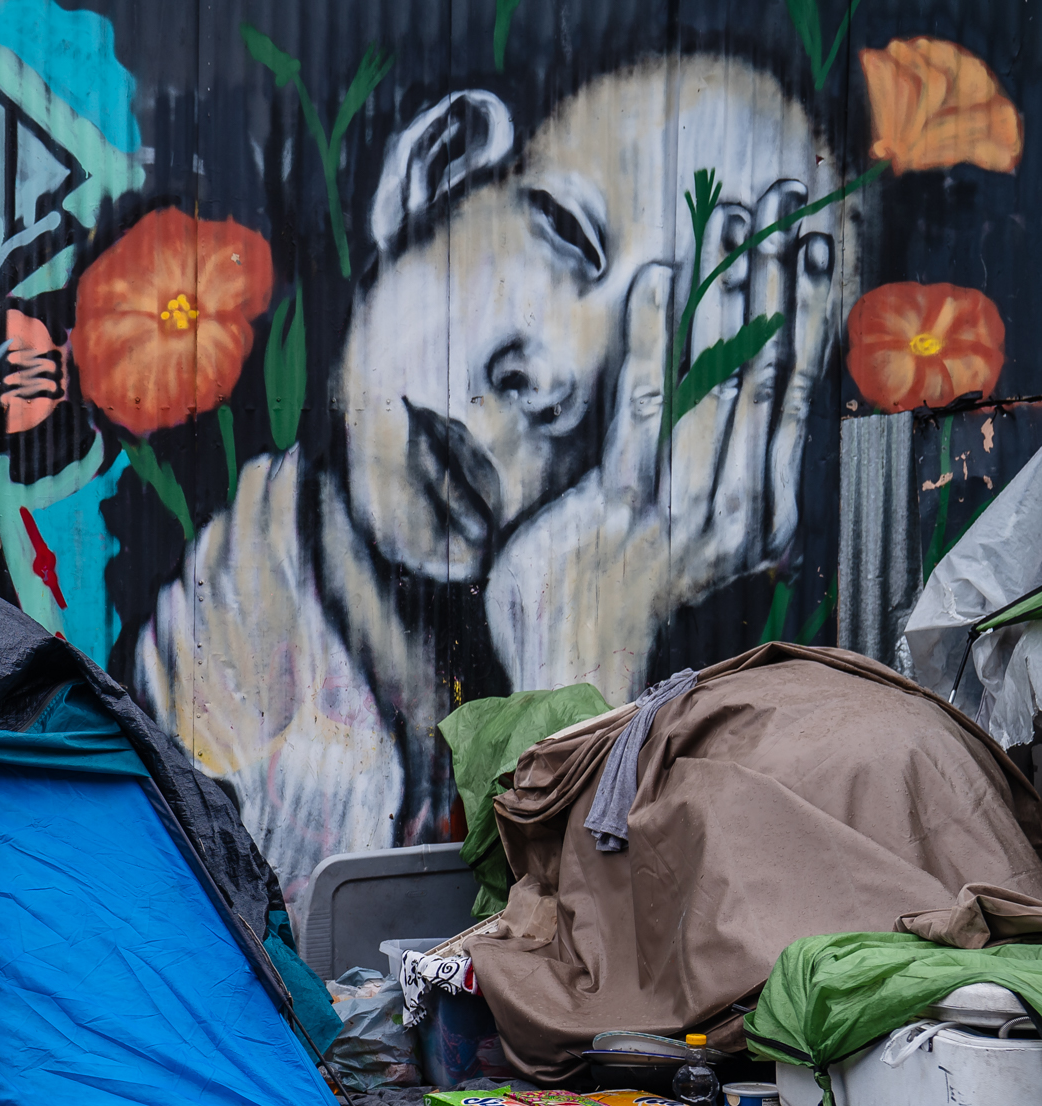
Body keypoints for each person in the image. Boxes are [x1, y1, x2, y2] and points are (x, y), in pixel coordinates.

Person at [131, 55, 843, 898]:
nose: (557, 379)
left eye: (670, 361)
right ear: (440, 168)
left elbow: (572, 1000)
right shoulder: (229, 636)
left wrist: (578, 648)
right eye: (566, 234)